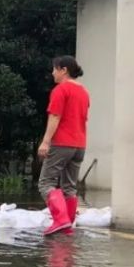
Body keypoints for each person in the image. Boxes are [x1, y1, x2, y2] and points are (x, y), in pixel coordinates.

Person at [38, 56, 90, 236]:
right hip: (80, 145)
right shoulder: (83, 91)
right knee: (69, 186)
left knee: (46, 183)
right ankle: (67, 224)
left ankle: (60, 220)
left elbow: (55, 116)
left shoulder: (61, 90)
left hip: (62, 143)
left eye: (54, 69)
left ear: (63, 70)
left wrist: (45, 141)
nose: (53, 73)